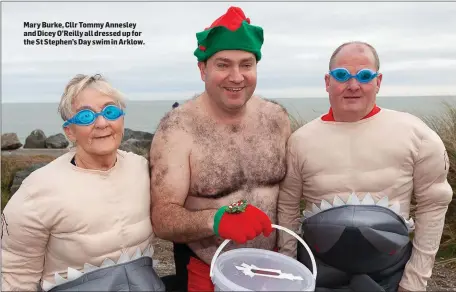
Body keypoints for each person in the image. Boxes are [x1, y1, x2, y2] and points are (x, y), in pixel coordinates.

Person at [277, 41, 453, 292]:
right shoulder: (300, 141)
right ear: (328, 82)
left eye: (364, 76)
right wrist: (290, 272)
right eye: (341, 75)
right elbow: (287, 207)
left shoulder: (418, 135)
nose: (353, 85)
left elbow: (433, 205)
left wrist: (415, 281)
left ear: (378, 82)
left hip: (390, 273)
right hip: (318, 271)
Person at [149, 6, 291, 292]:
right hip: (206, 270)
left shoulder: (277, 119)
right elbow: (162, 218)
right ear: (202, 69)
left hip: (272, 266)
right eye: (223, 65)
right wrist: (215, 220)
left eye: (246, 64)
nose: (236, 77)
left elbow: (290, 194)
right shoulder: (177, 130)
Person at [1, 74, 164, 291]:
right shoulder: (37, 190)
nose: (102, 123)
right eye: (86, 116)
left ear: (122, 119)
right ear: (69, 131)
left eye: (110, 112)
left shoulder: (142, 169)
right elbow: (16, 274)